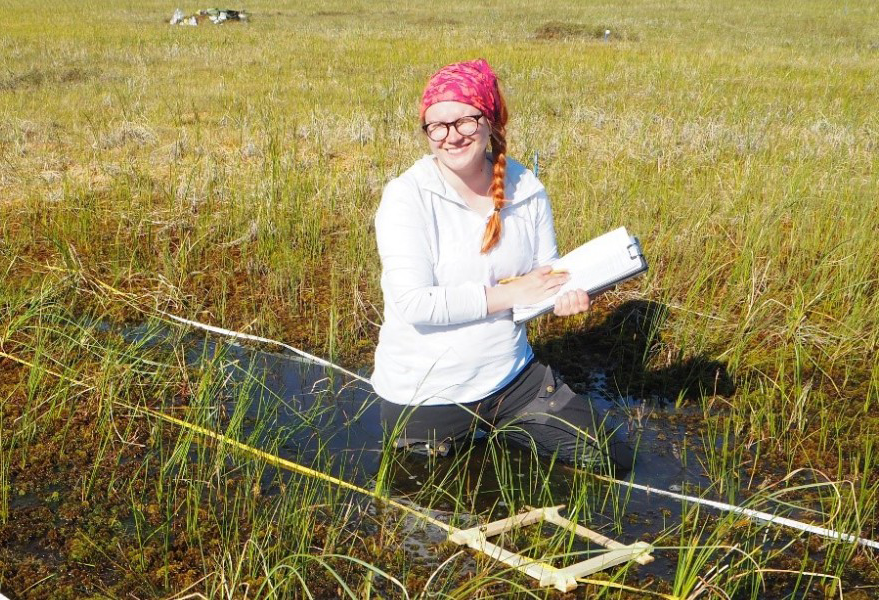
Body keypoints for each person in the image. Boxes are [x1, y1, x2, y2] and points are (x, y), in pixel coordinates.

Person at [371, 59, 634, 471]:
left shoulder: (525, 186)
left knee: (611, 457)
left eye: (465, 121)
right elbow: (414, 303)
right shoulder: (407, 197)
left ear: (490, 122)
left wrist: (566, 295)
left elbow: (547, 272)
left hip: (513, 379)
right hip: (426, 394)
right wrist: (512, 294)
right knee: (438, 507)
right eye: (436, 126)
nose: (450, 136)